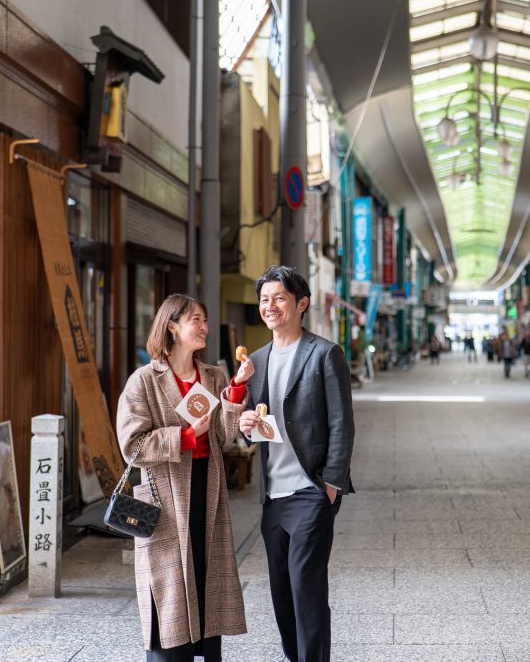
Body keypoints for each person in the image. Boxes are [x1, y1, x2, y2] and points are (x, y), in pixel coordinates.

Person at [117, 294, 252, 661]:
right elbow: (132, 445)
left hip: (207, 490)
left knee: (207, 580)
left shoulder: (213, 376)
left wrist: (237, 388)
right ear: (172, 326)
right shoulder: (144, 381)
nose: (204, 327)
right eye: (196, 319)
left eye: (205, 319)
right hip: (165, 496)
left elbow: (225, 436)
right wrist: (187, 436)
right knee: (169, 588)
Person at [239, 266, 355, 662]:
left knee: (307, 587)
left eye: (279, 299)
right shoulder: (256, 360)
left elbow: (342, 422)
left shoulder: (325, 354)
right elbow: (254, 428)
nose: (269, 307)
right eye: (264, 300)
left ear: (301, 304)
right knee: (282, 592)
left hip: (310, 490)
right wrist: (246, 425)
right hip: (273, 496)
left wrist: (331, 485)